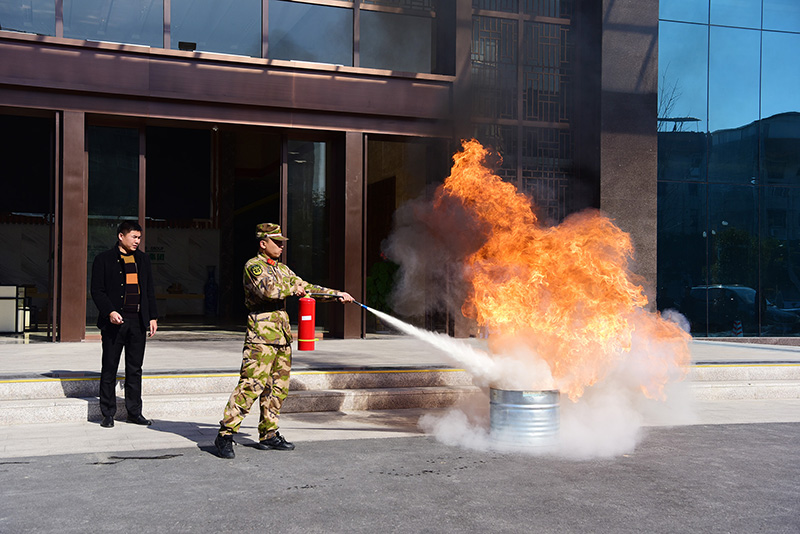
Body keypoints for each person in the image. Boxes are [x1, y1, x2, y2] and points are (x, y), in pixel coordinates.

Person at [215, 223, 353, 459]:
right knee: (251, 386)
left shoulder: (284, 270)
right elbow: (269, 292)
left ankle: (269, 434)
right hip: (261, 339)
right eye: (276, 242)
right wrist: (293, 287)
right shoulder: (254, 267)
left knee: (277, 389)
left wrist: (336, 294)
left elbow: (307, 287)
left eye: (282, 243)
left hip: (281, 339)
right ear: (263, 243)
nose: (281, 246)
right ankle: (226, 434)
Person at [90, 221, 159, 428]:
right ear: (121, 236)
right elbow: (97, 291)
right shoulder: (103, 259)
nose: (137, 241)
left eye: (139, 238)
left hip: (137, 322)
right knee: (109, 367)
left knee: (135, 369)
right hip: (114, 323)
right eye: (134, 237)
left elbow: (148, 290)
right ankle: (108, 413)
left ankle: (134, 412)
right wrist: (110, 311)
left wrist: (152, 317)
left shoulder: (143, 260)